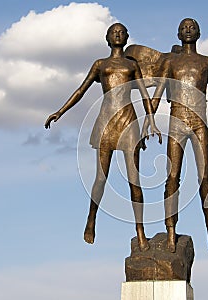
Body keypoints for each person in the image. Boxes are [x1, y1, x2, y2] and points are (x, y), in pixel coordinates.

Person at [45, 23, 161, 251]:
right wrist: (61, 110)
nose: (117, 34)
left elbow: (145, 94)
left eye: (121, 32)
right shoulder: (100, 64)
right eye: (113, 32)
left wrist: (152, 121)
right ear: (107, 38)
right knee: (101, 178)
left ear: (126, 37)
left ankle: (140, 231)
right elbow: (81, 90)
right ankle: (91, 220)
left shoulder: (132, 65)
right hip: (106, 121)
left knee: (134, 180)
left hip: (128, 120)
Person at [142, 18, 208, 254]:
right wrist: (147, 121)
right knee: (172, 178)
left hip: (199, 123)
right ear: (178, 34)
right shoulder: (170, 61)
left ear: (199, 33)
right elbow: (157, 95)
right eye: (183, 27)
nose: (188, 30)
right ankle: (170, 231)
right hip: (176, 121)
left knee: (205, 178)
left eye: (192, 27)